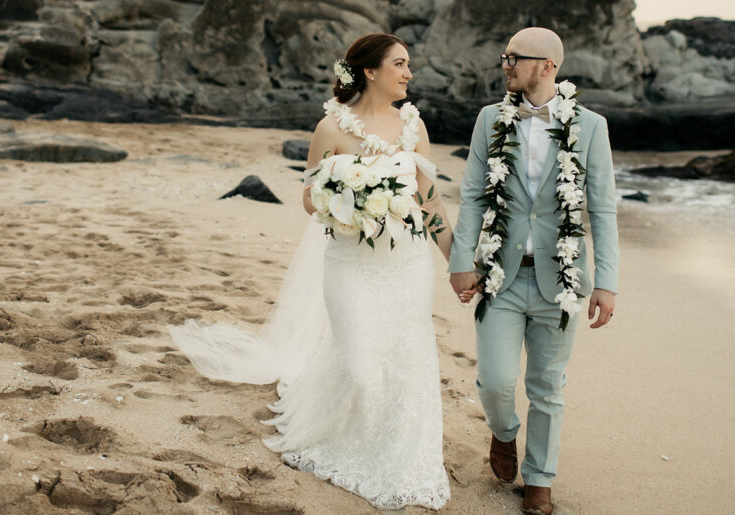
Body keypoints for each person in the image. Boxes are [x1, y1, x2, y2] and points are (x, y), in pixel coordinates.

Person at [169, 33, 453, 510]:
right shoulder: (331, 128)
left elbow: (429, 199)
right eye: (400, 64)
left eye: (409, 65)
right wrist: (354, 207)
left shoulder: (413, 125)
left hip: (407, 262)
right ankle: (335, 435)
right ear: (370, 71)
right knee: (361, 365)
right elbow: (309, 198)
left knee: (405, 362)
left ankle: (400, 452)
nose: (409, 73)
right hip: (350, 263)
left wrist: (457, 261)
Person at [448, 27, 619, 515]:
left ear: (547, 66)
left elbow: (602, 211)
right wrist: (463, 262)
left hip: (560, 280)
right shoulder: (489, 119)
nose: (505, 65)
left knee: (547, 385)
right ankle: (504, 433)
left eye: (514, 58)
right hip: (500, 277)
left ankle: (540, 478)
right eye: (504, 56)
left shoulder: (592, 126)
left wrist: (606, 283)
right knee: (497, 380)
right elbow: (474, 195)